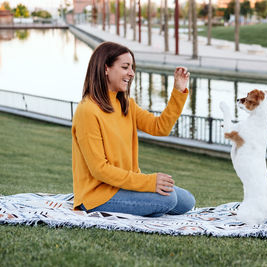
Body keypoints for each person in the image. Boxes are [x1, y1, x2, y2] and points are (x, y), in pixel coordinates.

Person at [72, 42, 195, 217]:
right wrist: (148, 182)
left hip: (124, 186)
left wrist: (178, 91)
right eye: (125, 67)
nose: (131, 73)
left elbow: (160, 128)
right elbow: (99, 169)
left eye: (132, 67)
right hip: (97, 196)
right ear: (106, 68)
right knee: (168, 200)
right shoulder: (87, 110)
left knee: (187, 201)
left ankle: (145, 207)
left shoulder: (126, 104)